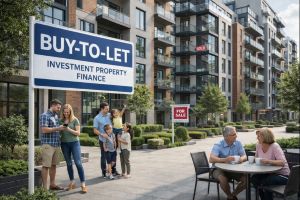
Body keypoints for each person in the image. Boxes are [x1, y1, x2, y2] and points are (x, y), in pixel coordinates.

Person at [251, 128, 290, 200]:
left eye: (259, 136)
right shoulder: (258, 145)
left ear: (265, 137)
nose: (257, 138)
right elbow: (256, 158)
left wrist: (268, 161)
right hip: (268, 173)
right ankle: (263, 198)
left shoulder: (274, 146)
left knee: (266, 181)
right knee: (254, 179)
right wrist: (252, 160)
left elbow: (282, 162)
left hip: (282, 175)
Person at [209, 126, 247, 200]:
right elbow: (211, 159)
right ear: (226, 136)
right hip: (218, 169)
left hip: (233, 169)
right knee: (223, 179)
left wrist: (241, 159)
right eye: (234, 134)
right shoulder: (218, 145)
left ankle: (232, 195)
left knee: (246, 180)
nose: (236, 136)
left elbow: (244, 156)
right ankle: (230, 196)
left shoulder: (238, 143)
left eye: (236, 134)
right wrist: (225, 159)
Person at [60, 104, 87, 193]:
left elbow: (78, 133)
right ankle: (72, 182)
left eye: (68, 112)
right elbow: (59, 132)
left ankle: (83, 184)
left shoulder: (75, 120)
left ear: (70, 111)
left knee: (78, 163)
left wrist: (68, 129)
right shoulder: (61, 120)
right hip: (64, 144)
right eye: (64, 112)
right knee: (68, 163)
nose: (66, 114)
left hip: (74, 143)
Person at [39, 99, 65, 190]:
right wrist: (58, 128)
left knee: (54, 165)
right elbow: (44, 130)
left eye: (60, 108)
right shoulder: (44, 115)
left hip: (56, 144)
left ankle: (52, 184)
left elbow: (56, 129)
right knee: (46, 166)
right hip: (48, 144)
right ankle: (44, 188)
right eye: (58, 107)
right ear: (53, 105)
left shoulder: (56, 116)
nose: (59, 109)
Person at [93, 102, 112, 178]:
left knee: (112, 155)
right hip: (103, 139)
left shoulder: (109, 115)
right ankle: (104, 172)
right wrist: (101, 134)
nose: (108, 110)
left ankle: (112, 170)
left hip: (111, 139)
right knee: (103, 156)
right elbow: (95, 130)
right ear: (102, 109)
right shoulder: (97, 118)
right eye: (106, 109)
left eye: (108, 108)